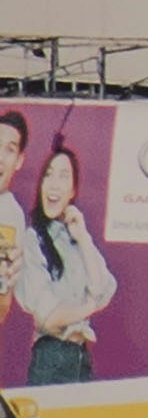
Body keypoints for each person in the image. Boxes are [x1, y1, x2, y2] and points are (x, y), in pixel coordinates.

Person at [7, 133, 108, 386]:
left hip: (81, 358)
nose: (53, 184)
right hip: (51, 358)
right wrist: (88, 308)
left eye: (63, 176)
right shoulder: (33, 239)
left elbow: (103, 288)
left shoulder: (75, 239)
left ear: (73, 190)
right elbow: (48, 318)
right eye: (48, 175)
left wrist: (83, 237)